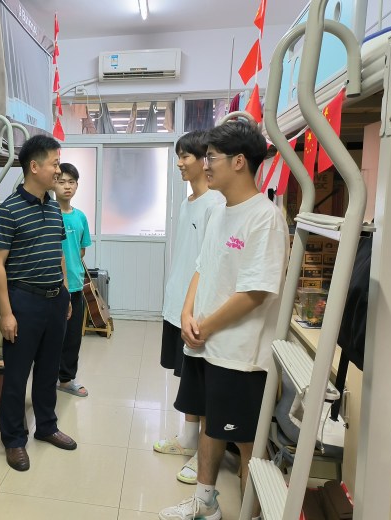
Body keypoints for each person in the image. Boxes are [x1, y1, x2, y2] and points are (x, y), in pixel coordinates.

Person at [159, 121, 289, 520]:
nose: (205, 164)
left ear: (239, 161)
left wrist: (206, 326)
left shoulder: (264, 218)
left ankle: (253, 513)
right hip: (205, 345)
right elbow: (202, 267)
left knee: (248, 442)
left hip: (240, 356)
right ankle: (205, 503)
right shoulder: (221, 212)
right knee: (211, 427)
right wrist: (187, 313)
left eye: (211, 157)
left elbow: (255, 293)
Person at [0, 135, 77, 473]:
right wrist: (6, 312)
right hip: (23, 301)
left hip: (55, 299)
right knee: (16, 375)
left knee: (48, 370)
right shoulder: (8, 210)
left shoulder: (53, 206)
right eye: (54, 164)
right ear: (34, 167)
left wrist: (65, 292)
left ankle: (47, 426)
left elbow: (58, 252)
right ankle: (14, 439)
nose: (58, 170)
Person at [153, 131, 223, 486]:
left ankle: (204, 453)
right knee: (187, 377)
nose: (179, 162)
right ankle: (188, 439)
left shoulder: (216, 203)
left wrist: (194, 308)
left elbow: (210, 264)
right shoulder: (188, 202)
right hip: (177, 303)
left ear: (205, 159)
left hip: (196, 308)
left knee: (202, 381)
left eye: (186, 156)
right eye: (178, 155)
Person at [53, 163, 93, 398]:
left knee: (72, 337)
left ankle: (66, 379)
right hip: (53, 286)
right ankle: (48, 377)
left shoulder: (80, 217)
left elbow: (81, 250)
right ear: (54, 184)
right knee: (52, 337)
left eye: (71, 182)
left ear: (77, 185)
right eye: (62, 182)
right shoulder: (49, 213)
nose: (67, 187)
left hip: (76, 285)